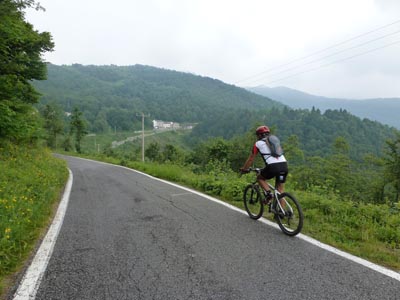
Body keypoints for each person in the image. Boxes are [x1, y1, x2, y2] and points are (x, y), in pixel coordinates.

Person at [240, 125, 288, 203]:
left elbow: (251, 159)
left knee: (260, 178)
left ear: (259, 135)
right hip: (284, 165)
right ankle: (281, 214)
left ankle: (269, 194)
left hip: (272, 167)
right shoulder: (274, 142)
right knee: (280, 191)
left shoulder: (258, 143)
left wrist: (244, 169)